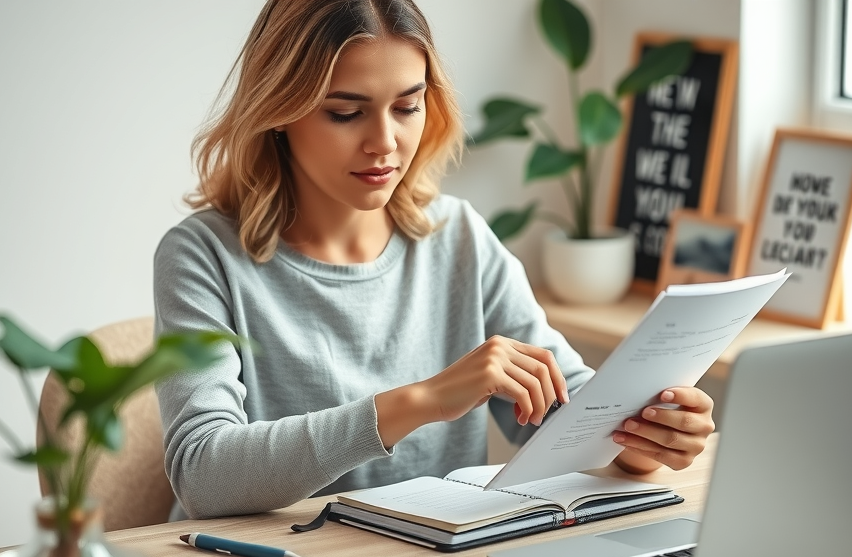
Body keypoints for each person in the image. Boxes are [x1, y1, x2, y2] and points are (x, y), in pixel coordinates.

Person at [153, 0, 715, 521]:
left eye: (407, 106)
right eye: (346, 113)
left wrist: (641, 442)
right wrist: (421, 401)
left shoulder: (459, 237)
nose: (385, 142)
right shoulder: (202, 257)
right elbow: (203, 474)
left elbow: (562, 413)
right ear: (279, 111)